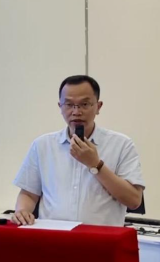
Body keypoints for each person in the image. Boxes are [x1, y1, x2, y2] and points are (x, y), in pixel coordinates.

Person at [11, 75, 145, 226]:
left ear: (98, 107)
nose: (76, 112)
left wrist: (95, 165)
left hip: (101, 238)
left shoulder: (121, 145)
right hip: (53, 236)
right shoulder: (42, 145)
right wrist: (22, 211)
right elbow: (29, 194)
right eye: (69, 104)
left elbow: (134, 200)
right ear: (60, 106)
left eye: (84, 104)